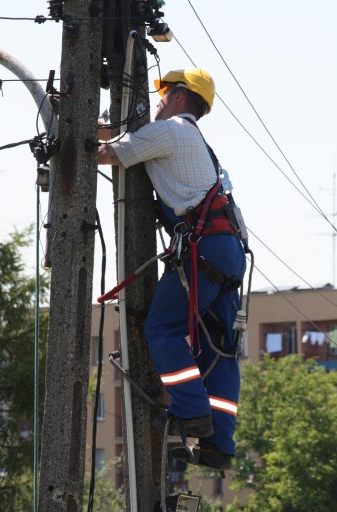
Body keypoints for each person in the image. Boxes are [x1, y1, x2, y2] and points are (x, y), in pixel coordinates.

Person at [98, 68, 246, 471]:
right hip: (230, 254)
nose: (158, 101)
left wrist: (69, 144)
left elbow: (111, 153)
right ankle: (219, 443)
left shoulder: (173, 130)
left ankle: (191, 412)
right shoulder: (197, 143)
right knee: (221, 348)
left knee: (162, 330)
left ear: (180, 96)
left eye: (163, 94)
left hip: (204, 250)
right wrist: (101, 131)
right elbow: (121, 140)